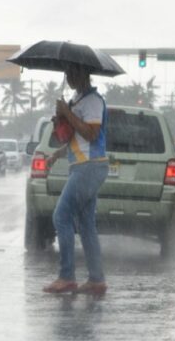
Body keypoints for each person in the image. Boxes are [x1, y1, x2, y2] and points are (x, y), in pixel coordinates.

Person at [42, 62, 109, 296]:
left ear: (84, 73)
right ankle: (96, 279)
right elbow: (73, 140)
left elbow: (91, 134)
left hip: (89, 168)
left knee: (61, 215)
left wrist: (68, 114)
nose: (69, 76)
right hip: (82, 166)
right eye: (67, 72)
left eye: (73, 72)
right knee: (86, 224)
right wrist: (56, 153)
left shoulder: (92, 101)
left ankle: (67, 276)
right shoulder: (77, 100)